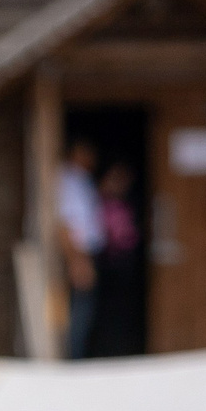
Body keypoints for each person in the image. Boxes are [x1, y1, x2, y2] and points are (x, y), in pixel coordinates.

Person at [88, 159, 145, 357]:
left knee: (122, 312)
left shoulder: (125, 203)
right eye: (115, 179)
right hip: (107, 263)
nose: (120, 184)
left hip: (123, 264)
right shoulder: (97, 202)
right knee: (106, 312)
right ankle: (106, 352)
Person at [57, 137, 105, 358]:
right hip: (78, 253)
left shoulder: (81, 180)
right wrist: (77, 261)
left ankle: (78, 356)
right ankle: (72, 361)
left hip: (86, 252)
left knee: (85, 313)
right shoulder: (67, 181)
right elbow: (64, 223)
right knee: (77, 314)